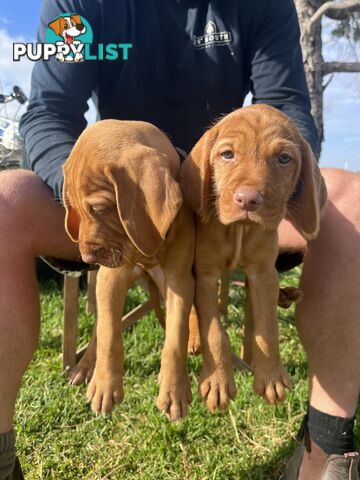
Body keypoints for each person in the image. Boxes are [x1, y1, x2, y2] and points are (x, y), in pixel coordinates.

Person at [0, 0, 358, 478]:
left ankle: (326, 449)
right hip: (122, 198)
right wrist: (96, 199)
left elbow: (287, 104)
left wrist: (259, 187)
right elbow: (47, 113)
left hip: (223, 198)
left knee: (353, 201)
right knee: (4, 205)